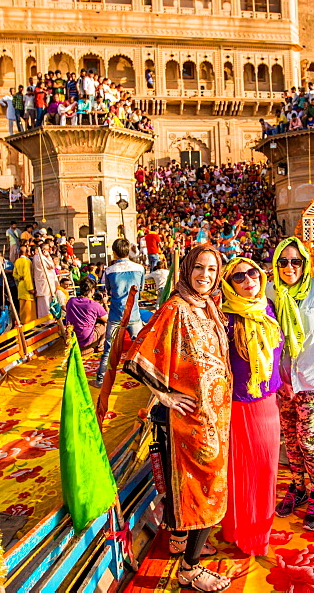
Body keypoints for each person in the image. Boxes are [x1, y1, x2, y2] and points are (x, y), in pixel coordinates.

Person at [121, 245, 231, 591]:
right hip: (189, 423)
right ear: (186, 269)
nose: (205, 276)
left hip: (214, 418)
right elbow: (137, 357)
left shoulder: (209, 307)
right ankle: (191, 568)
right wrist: (164, 395)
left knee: (196, 486)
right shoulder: (175, 308)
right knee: (205, 488)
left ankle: (181, 540)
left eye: (212, 270)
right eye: (199, 268)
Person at [219, 257, 283, 556]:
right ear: (228, 285)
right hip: (238, 405)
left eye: (253, 273)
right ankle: (239, 531)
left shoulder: (266, 310)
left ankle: (259, 530)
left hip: (267, 401)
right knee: (241, 471)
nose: (249, 281)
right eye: (239, 278)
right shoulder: (223, 318)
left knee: (267, 468)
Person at [267, 237, 314, 530]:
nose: (290, 267)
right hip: (282, 380)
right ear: (276, 264)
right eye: (283, 262)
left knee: (308, 438)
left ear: (305, 264)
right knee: (290, 439)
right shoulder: (269, 291)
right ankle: (298, 486)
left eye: (296, 262)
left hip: (312, 377)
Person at [95, 238, 145, 385]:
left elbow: (107, 290)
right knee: (140, 346)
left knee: (109, 348)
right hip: (134, 314)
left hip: (116, 314)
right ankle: (146, 377)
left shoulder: (109, 270)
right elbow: (140, 289)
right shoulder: (140, 268)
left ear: (114, 253)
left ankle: (100, 379)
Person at [64, 277, 108, 351]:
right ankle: (101, 345)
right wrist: (105, 303)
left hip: (72, 336)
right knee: (105, 324)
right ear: (92, 290)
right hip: (86, 339)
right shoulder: (94, 304)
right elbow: (108, 319)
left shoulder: (71, 301)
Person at [12, 244, 36, 323]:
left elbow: (14, 274)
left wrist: (19, 277)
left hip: (20, 285)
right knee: (28, 308)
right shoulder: (27, 261)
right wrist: (30, 288)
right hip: (27, 286)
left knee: (22, 306)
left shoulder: (17, 260)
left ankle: (22, 322)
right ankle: (28, 325)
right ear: (27, 252)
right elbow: (27, 275)